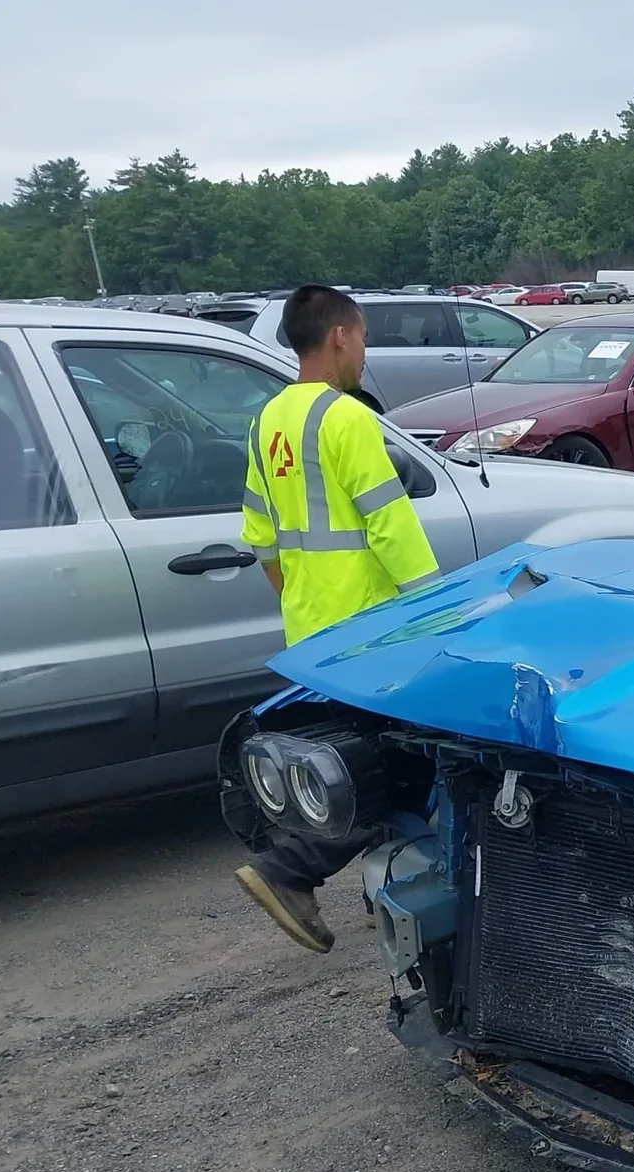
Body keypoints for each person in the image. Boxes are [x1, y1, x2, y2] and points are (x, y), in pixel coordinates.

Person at [233, 284, 440, 953]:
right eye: (365, 338)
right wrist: (434, 612)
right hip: (371, 628)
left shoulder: (268, 420)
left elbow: (261, 536)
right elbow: (391, 524)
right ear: (340, 335)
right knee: (399, 767)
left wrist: (301, 596)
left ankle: (381, 890)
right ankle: (289, 870)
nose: (364, 354)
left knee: (346, 759)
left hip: (310, 629)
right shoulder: (346, 417)